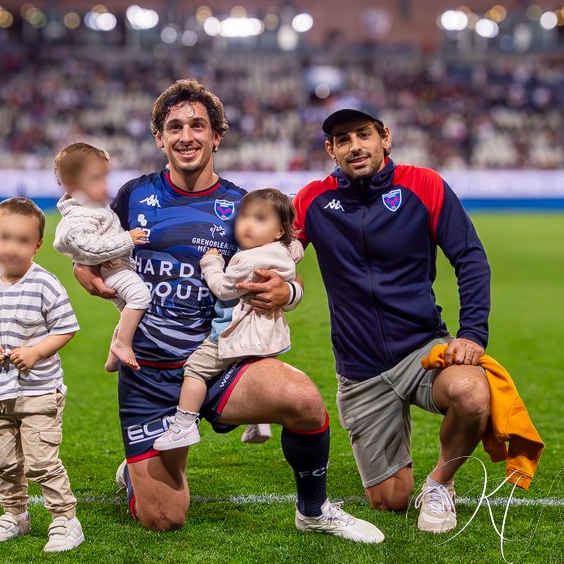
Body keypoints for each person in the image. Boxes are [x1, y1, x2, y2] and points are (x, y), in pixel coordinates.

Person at [72, 79, 383, 543]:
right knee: (164, 518)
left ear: (216, 136)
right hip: (149, 374)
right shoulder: (133, 196)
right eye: (175, 127)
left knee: (302, 399)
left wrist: (288, 293)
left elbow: (289, 276)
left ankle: (314, 510)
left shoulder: (242, 205)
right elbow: (90, 253)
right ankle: (138, 472)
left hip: (221, 360)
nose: (186, 136)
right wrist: (85, 271)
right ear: (159, 137)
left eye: (198, 125)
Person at [292, 107, 493, 534]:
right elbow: (275, 250)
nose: (355, 146)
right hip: (360, 367)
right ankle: (400, 465)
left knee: (473, 392)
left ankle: (440, 482)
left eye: (363, 134)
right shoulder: (313, 200)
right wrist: (280, 283)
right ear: (330, 150)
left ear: (385, 137)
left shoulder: (424, 184)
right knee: (390, 501)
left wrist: (473, 333)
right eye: (343, 140)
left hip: (422, 349)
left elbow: (470, 257)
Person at [0, 197, 84, 552]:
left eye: (22, 240)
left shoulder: (44, 283)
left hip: (39, 393)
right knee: (5, 463)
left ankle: (65, 519)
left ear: (37, 245)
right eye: (4, 238)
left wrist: (35, 352)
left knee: (41, 461)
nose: (12, 247)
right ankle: (14, 514)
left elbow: (66, 328)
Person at [153, 188, 305, 450]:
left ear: (279, 230)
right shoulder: (286, 250)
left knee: (196, 369)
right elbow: (297, 249)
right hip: (267, 337)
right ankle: (259, 420)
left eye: (259, 219)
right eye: (244, 217)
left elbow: (223, 289)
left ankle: (184, 424)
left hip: (236, 333)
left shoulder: (247, 260)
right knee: (248, 373)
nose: (247, 224)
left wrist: (211, 264)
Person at [52, 142, 151, 371]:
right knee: (140, 297)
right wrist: (127, 239)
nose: (106, 186)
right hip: (112, 267)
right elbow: (88, 247)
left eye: (105, 177)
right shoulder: (81, 214)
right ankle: (123, 344)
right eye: (96, 179)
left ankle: (114, 353)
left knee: (128, 311)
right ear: (72, 184)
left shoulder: (92, 207)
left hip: (116, 265)